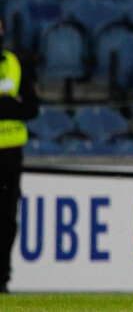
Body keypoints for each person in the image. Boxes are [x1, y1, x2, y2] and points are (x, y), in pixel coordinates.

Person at [0, 16, 40, 293]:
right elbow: (20, 107)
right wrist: (9, 104)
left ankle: (1, 278)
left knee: (5, 220)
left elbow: (31, 108)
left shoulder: (16, 64)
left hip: (10, 157)